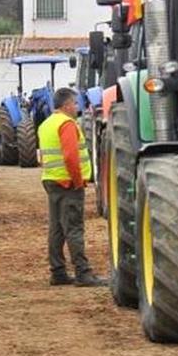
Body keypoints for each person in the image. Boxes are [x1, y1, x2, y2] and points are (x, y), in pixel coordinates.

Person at [38, 88, 106, 287]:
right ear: (67, 105)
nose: (77, 107)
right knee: (74, 228)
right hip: (68, 182)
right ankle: (83, 272)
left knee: (56, 228)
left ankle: (58, 271)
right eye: (75, 103)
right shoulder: (67, 124)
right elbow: (70, 156)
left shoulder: (46, 124)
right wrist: (78, 181)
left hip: (51, 180)